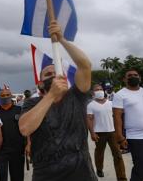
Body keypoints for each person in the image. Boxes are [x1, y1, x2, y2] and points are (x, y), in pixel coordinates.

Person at [19, 20, 97, 181]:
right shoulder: (32, 103)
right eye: (48, 74)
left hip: (81, 172)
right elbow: (25, 128)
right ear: (40, 84)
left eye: (56, 72)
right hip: (46, 174)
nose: (53, 75)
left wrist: (62, 39)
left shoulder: (76, 95)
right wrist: (51, 96)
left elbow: (85, 66)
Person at [87, 84, 126, 180]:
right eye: (97, 90)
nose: (99, 91)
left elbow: (117, 117)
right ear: (92, 92)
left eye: (100, 89)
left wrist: (119, 132)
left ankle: (122, 178)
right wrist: (92, 133)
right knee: (99, 153)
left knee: (118, 155)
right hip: (99, 134)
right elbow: (89, 119)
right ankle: (99, 168)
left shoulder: (111, 103)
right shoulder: (91, 105)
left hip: (112, 132)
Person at [0, 87, 25, 181]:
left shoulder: (20, 110)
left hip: (18, 149)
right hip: (0, 150)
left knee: (17, 177)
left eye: (7, 95)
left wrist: (28, 144)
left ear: (11, 96)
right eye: (3, 96)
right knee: (1, 177)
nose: (5, 97)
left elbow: (26, 128)